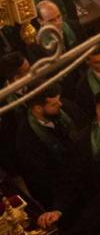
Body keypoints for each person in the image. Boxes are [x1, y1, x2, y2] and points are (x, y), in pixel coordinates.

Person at [15, 83, 86, 214]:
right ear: (37, 108)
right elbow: (42, 180)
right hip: (63, 195)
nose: (60, 104)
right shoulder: (27, 139)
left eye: (59, 100)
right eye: (53, 104)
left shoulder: (67, 111)